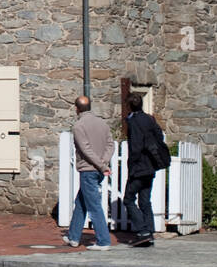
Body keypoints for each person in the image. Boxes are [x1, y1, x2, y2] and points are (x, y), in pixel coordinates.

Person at [62, 96, 113, 250]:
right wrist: (103, 162)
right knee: (81, 202)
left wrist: (100, 165)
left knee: (93, 205)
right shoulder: (102, 123)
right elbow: (111, 144)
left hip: (89, 169)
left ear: (76, 108)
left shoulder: (79, 126)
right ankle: (73, 236)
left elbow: (86, 150)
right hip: (98, 168)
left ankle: (103, 241)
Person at [124, 92, 164, 247]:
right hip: (150, 165)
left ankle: (143, 231)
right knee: (145, 200)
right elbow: (159, 136)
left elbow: (135, 147)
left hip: (139, 166)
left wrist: (132, 165)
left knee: (128, 199)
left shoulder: (134, 122)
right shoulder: (149, 119)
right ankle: (150, 232)